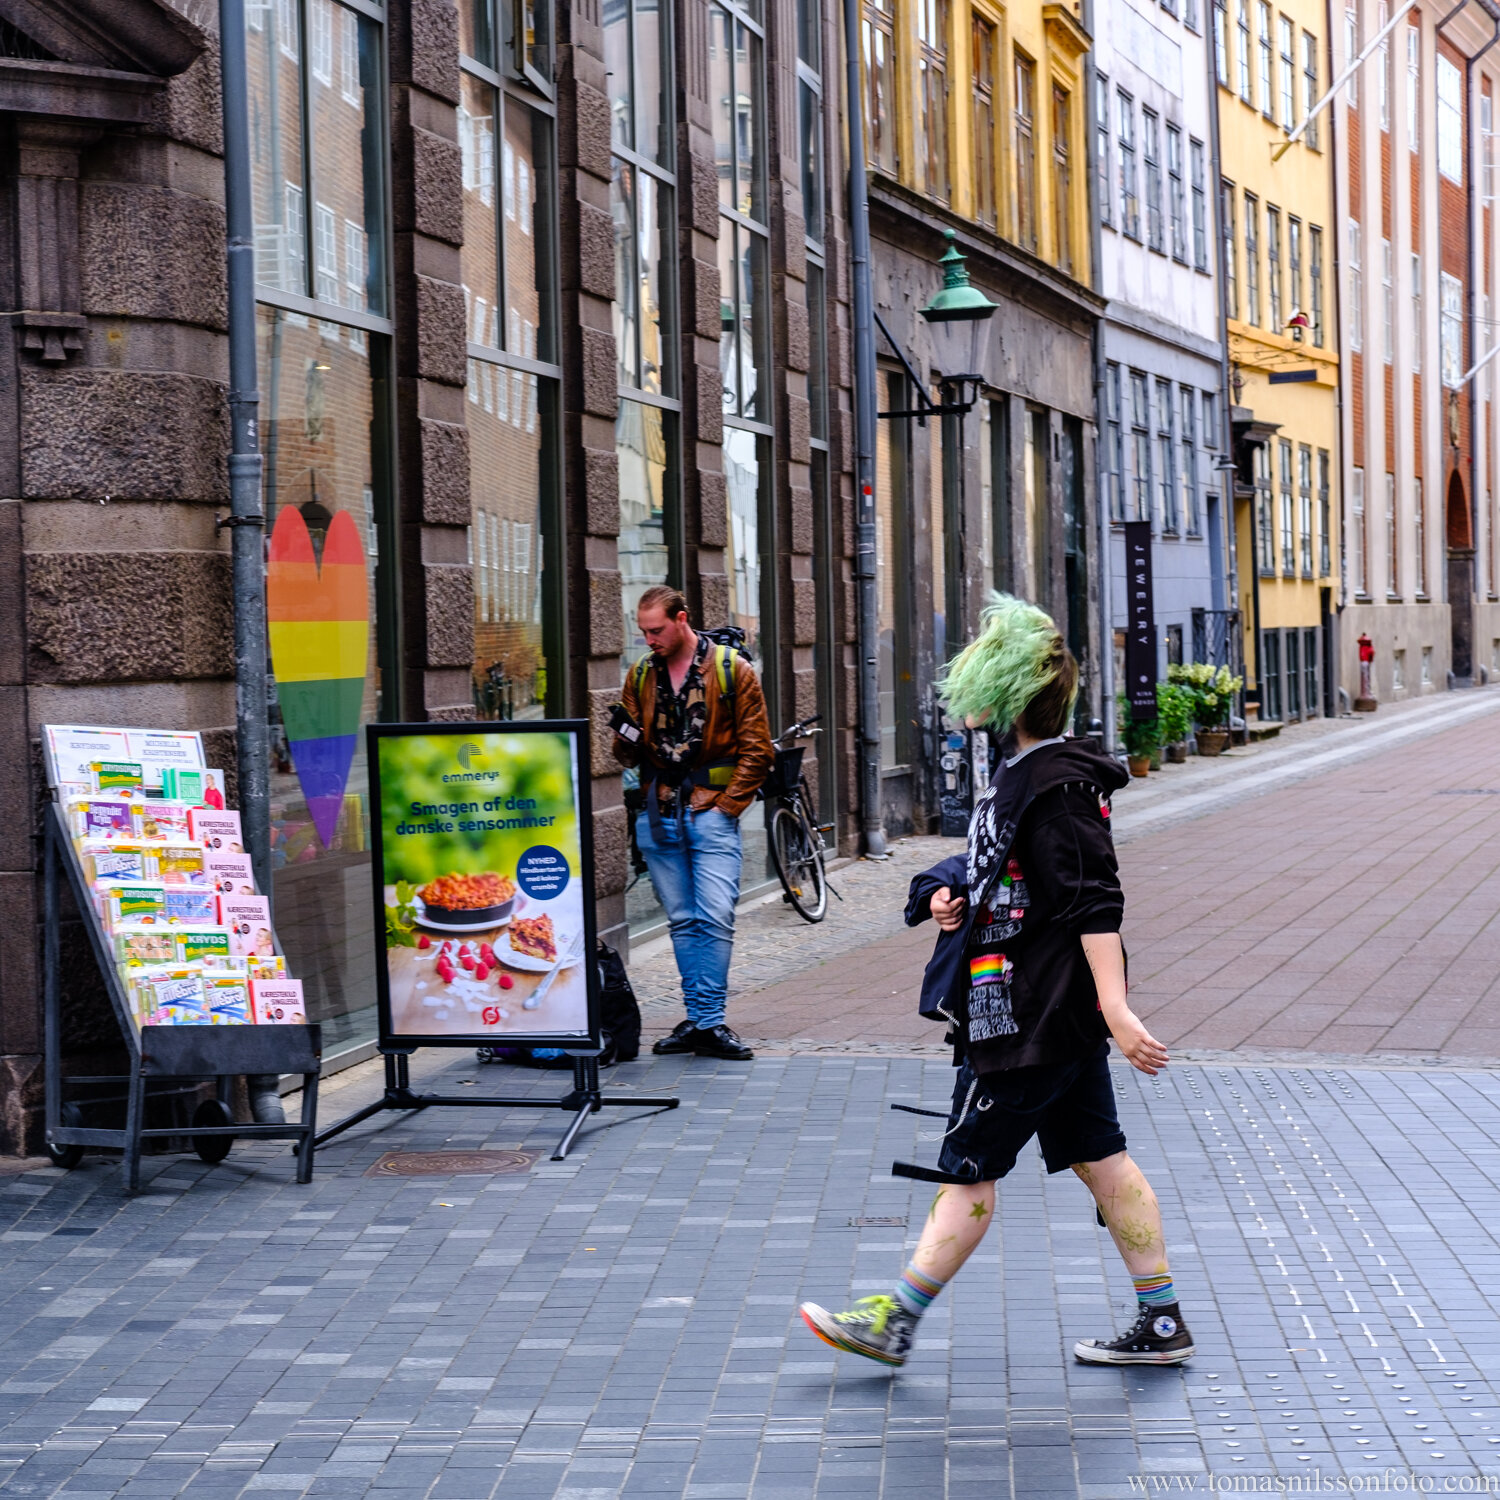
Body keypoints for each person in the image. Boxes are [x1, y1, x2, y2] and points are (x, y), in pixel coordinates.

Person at [800, 595, 1192, 1369]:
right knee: (1102, 1158)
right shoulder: (1030, 774)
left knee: (969, 1168)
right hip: (1043, 1010)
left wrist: (1114, 1004)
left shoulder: (1054, 788)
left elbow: (1093, 901)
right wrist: (942, 896)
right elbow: (999, 868)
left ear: (1006, 695)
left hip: (1028, 1017)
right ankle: (1162, 1321)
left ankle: (892, 1322)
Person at [613, 585, 774, 1061]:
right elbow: (626, 755)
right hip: (659, 811)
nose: (649, 639)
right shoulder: (641, 673)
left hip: (709, 812)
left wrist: (726, 808)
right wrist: (624, 735)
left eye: (657, 630)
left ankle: (709, 1020)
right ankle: (700, 1021)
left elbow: (758, 750)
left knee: (716, 918)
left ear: (682, 619)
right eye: (642, 631)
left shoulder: (732, 669)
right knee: (682, 921)